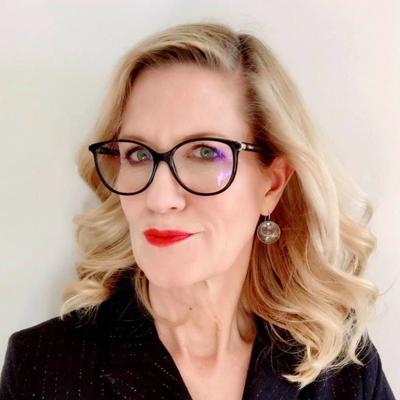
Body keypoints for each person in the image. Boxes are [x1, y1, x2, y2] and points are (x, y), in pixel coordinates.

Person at [0, 21, 396, 400]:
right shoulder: (46, 367)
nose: (159, 198)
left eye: (205, 152)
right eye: (138, 154)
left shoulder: (340, 365)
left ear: (272, 184)